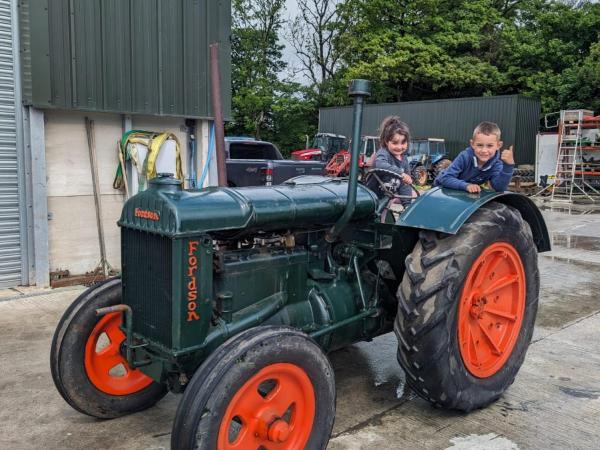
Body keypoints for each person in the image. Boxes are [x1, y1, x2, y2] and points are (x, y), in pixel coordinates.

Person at [435, 121, 514, 193]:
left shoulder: (496, 165)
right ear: (472, 144)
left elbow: (499, 188)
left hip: (462, 192)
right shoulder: (465, 157)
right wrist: (466, 186)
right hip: (441, 189)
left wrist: (508, 166)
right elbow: (446, 178)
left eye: (489, 146)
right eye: (479, 145)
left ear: (498, 145)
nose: (484, 150)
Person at [371, 116, 413, 205]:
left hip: (387, 198)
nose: (399, 147)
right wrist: (401, 173)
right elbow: (380, 165)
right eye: (395, 143)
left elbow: (405, 184)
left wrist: (407, 204)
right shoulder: (383, 153)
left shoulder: (404, 160)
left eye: (403, 143)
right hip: (373, 197)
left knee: (412, 194)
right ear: (386, 141)